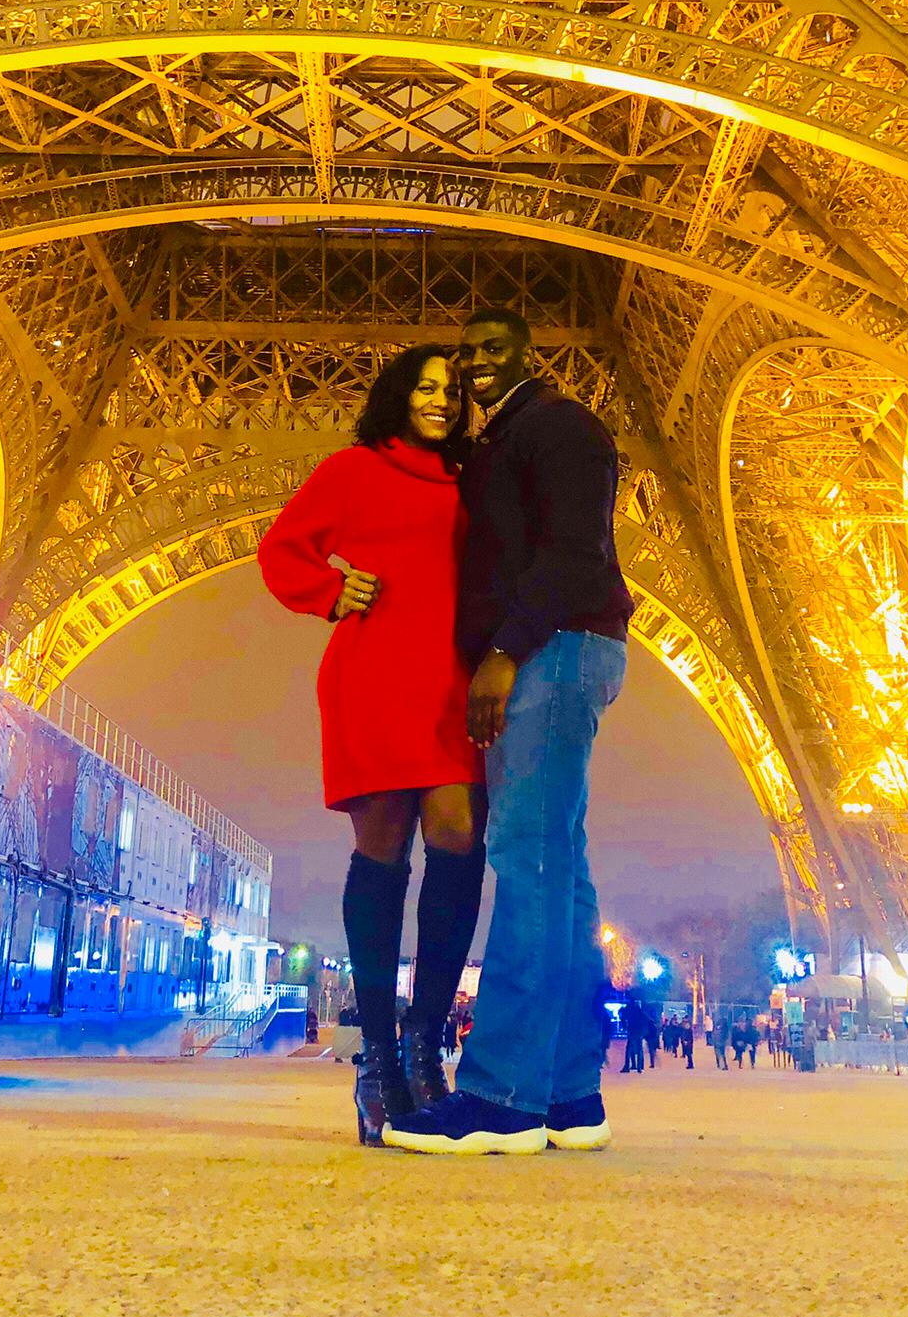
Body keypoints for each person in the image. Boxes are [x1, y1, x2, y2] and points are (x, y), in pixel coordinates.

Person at [386, 309, 632, 1156]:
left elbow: (573, 551)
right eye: (466, 353)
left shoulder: (559, 425)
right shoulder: (505, 440)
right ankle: (568, 1093)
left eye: (493, 348)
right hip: (554, 650)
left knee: (527, 861)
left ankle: (502, 1096)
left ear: (530, 351)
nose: (475, 363)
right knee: (560, 873)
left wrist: (501, 654)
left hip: (547, 652)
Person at [258, 347, 485, 1147]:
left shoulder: (472, 480)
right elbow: (282, 550)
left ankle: (426, 1042)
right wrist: (331, 590)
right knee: (382, 848)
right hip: (376, 673)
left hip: (451, 681)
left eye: (453, 390)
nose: (441, 400)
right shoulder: (352, 471)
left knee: (458, 830)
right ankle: (379, 1062)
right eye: (426, 386)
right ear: (398, 394)